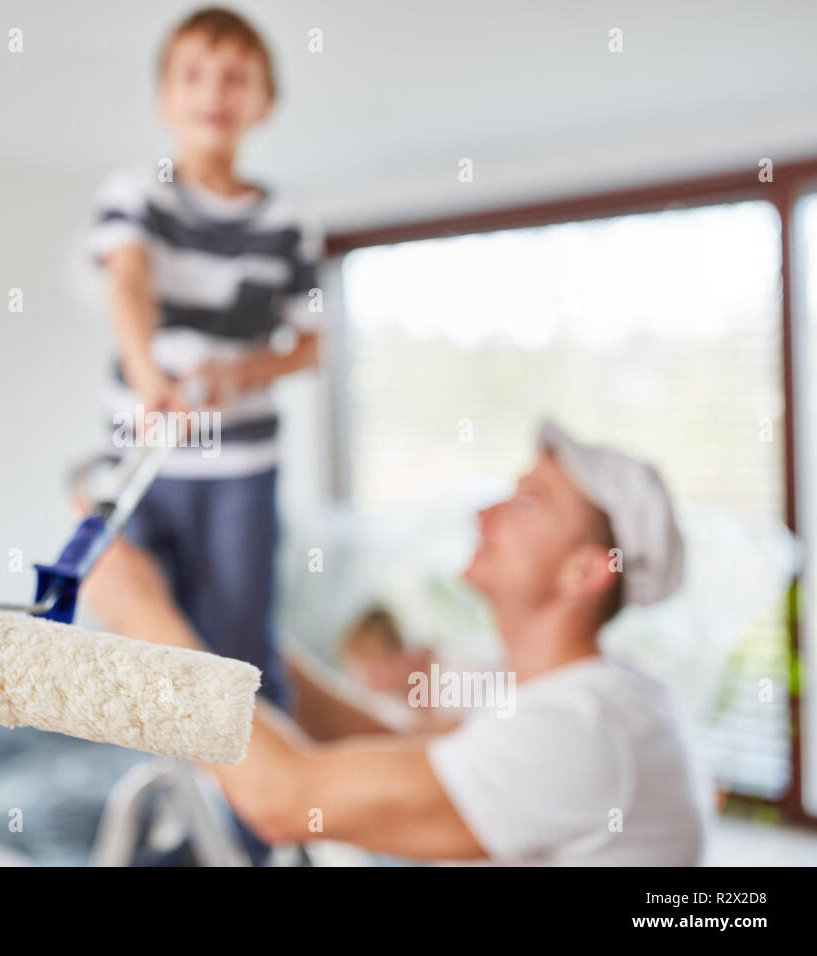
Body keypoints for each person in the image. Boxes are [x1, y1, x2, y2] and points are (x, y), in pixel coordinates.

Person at [83, 423, 708, 864]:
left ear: (587, 572)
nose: (486, 513)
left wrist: (146, 617)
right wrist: (230, 626)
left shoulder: (583, 726)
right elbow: (378, 740)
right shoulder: (548, 688)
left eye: (528, 504)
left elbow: (282, 803)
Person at [89, 7, 324, 710]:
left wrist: (241, 374)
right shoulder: (138, 194)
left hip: (241, 472)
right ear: (166, 99)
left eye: (235, 77)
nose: (214, 93)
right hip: (141, 453)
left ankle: (262, 818)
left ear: (265, 101)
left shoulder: (289, 223)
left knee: (241, 650)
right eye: (194, 75)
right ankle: (178, 808)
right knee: (153, 647)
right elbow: (127, 280)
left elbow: (310, 345)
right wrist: (147, 375)